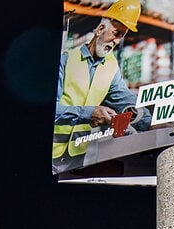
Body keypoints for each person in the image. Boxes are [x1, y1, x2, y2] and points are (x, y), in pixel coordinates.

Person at [53, 0, 151, 164]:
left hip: (81, 157)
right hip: (52, 155)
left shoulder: (111, 67)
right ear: (100, 30)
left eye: (122, 36)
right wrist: (89, 113)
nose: (116, 41)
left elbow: (126, 100)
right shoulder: (66, 59)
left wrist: (151, 123)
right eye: (115, 33)